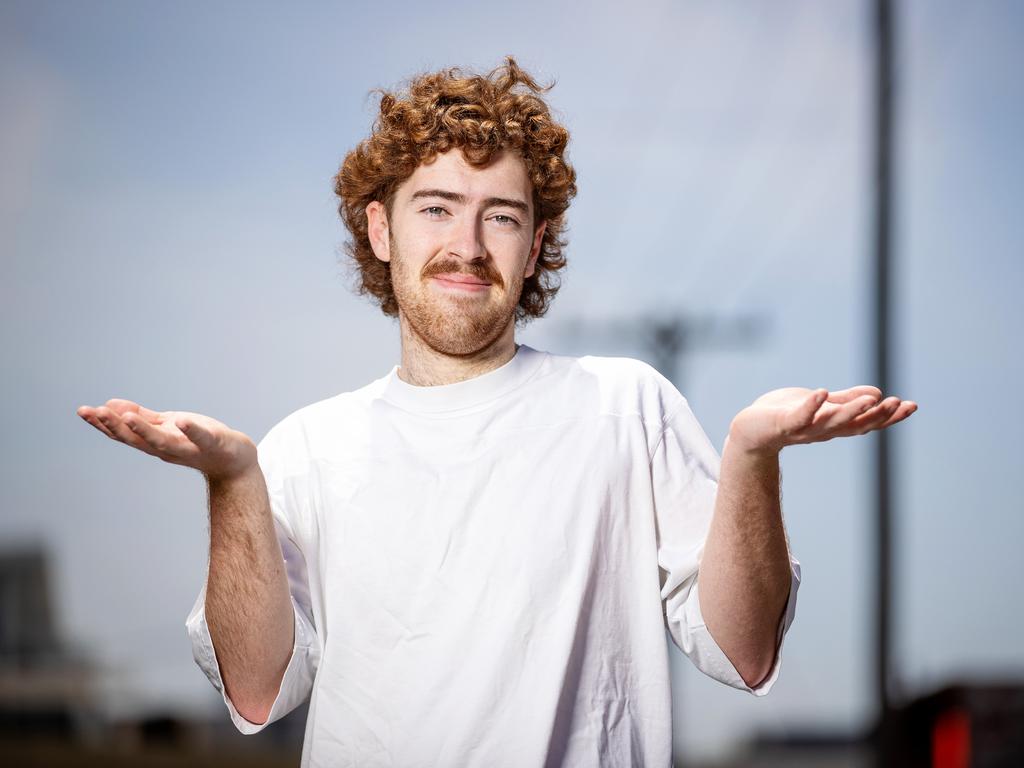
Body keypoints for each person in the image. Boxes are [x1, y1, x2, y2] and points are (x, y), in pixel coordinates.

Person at [77, 57, 916, 767]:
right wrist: (231, 481)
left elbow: (746, 649)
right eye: (436, 207)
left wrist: (751, 457)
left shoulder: (627, 407)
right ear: (380, 229)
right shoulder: (304, 449)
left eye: (501, 217)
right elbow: (260, 693)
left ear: (537, 243)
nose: (468, 245)